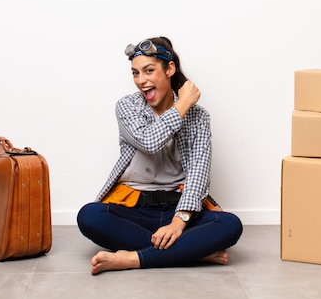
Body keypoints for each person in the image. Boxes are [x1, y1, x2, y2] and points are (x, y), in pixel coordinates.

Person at [77, 36, 243, 275]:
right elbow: (149, 142)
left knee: (229, 225)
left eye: (149, 71)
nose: (141, 81)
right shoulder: (127, 107)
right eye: (135, 73)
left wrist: (178, 223)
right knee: (90, 216)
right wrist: (182, 104)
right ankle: (192, 251)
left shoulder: (199, 117)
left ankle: (133, 258)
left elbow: (199, 173)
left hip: (180, 206)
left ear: (169, 69)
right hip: (135, 208)